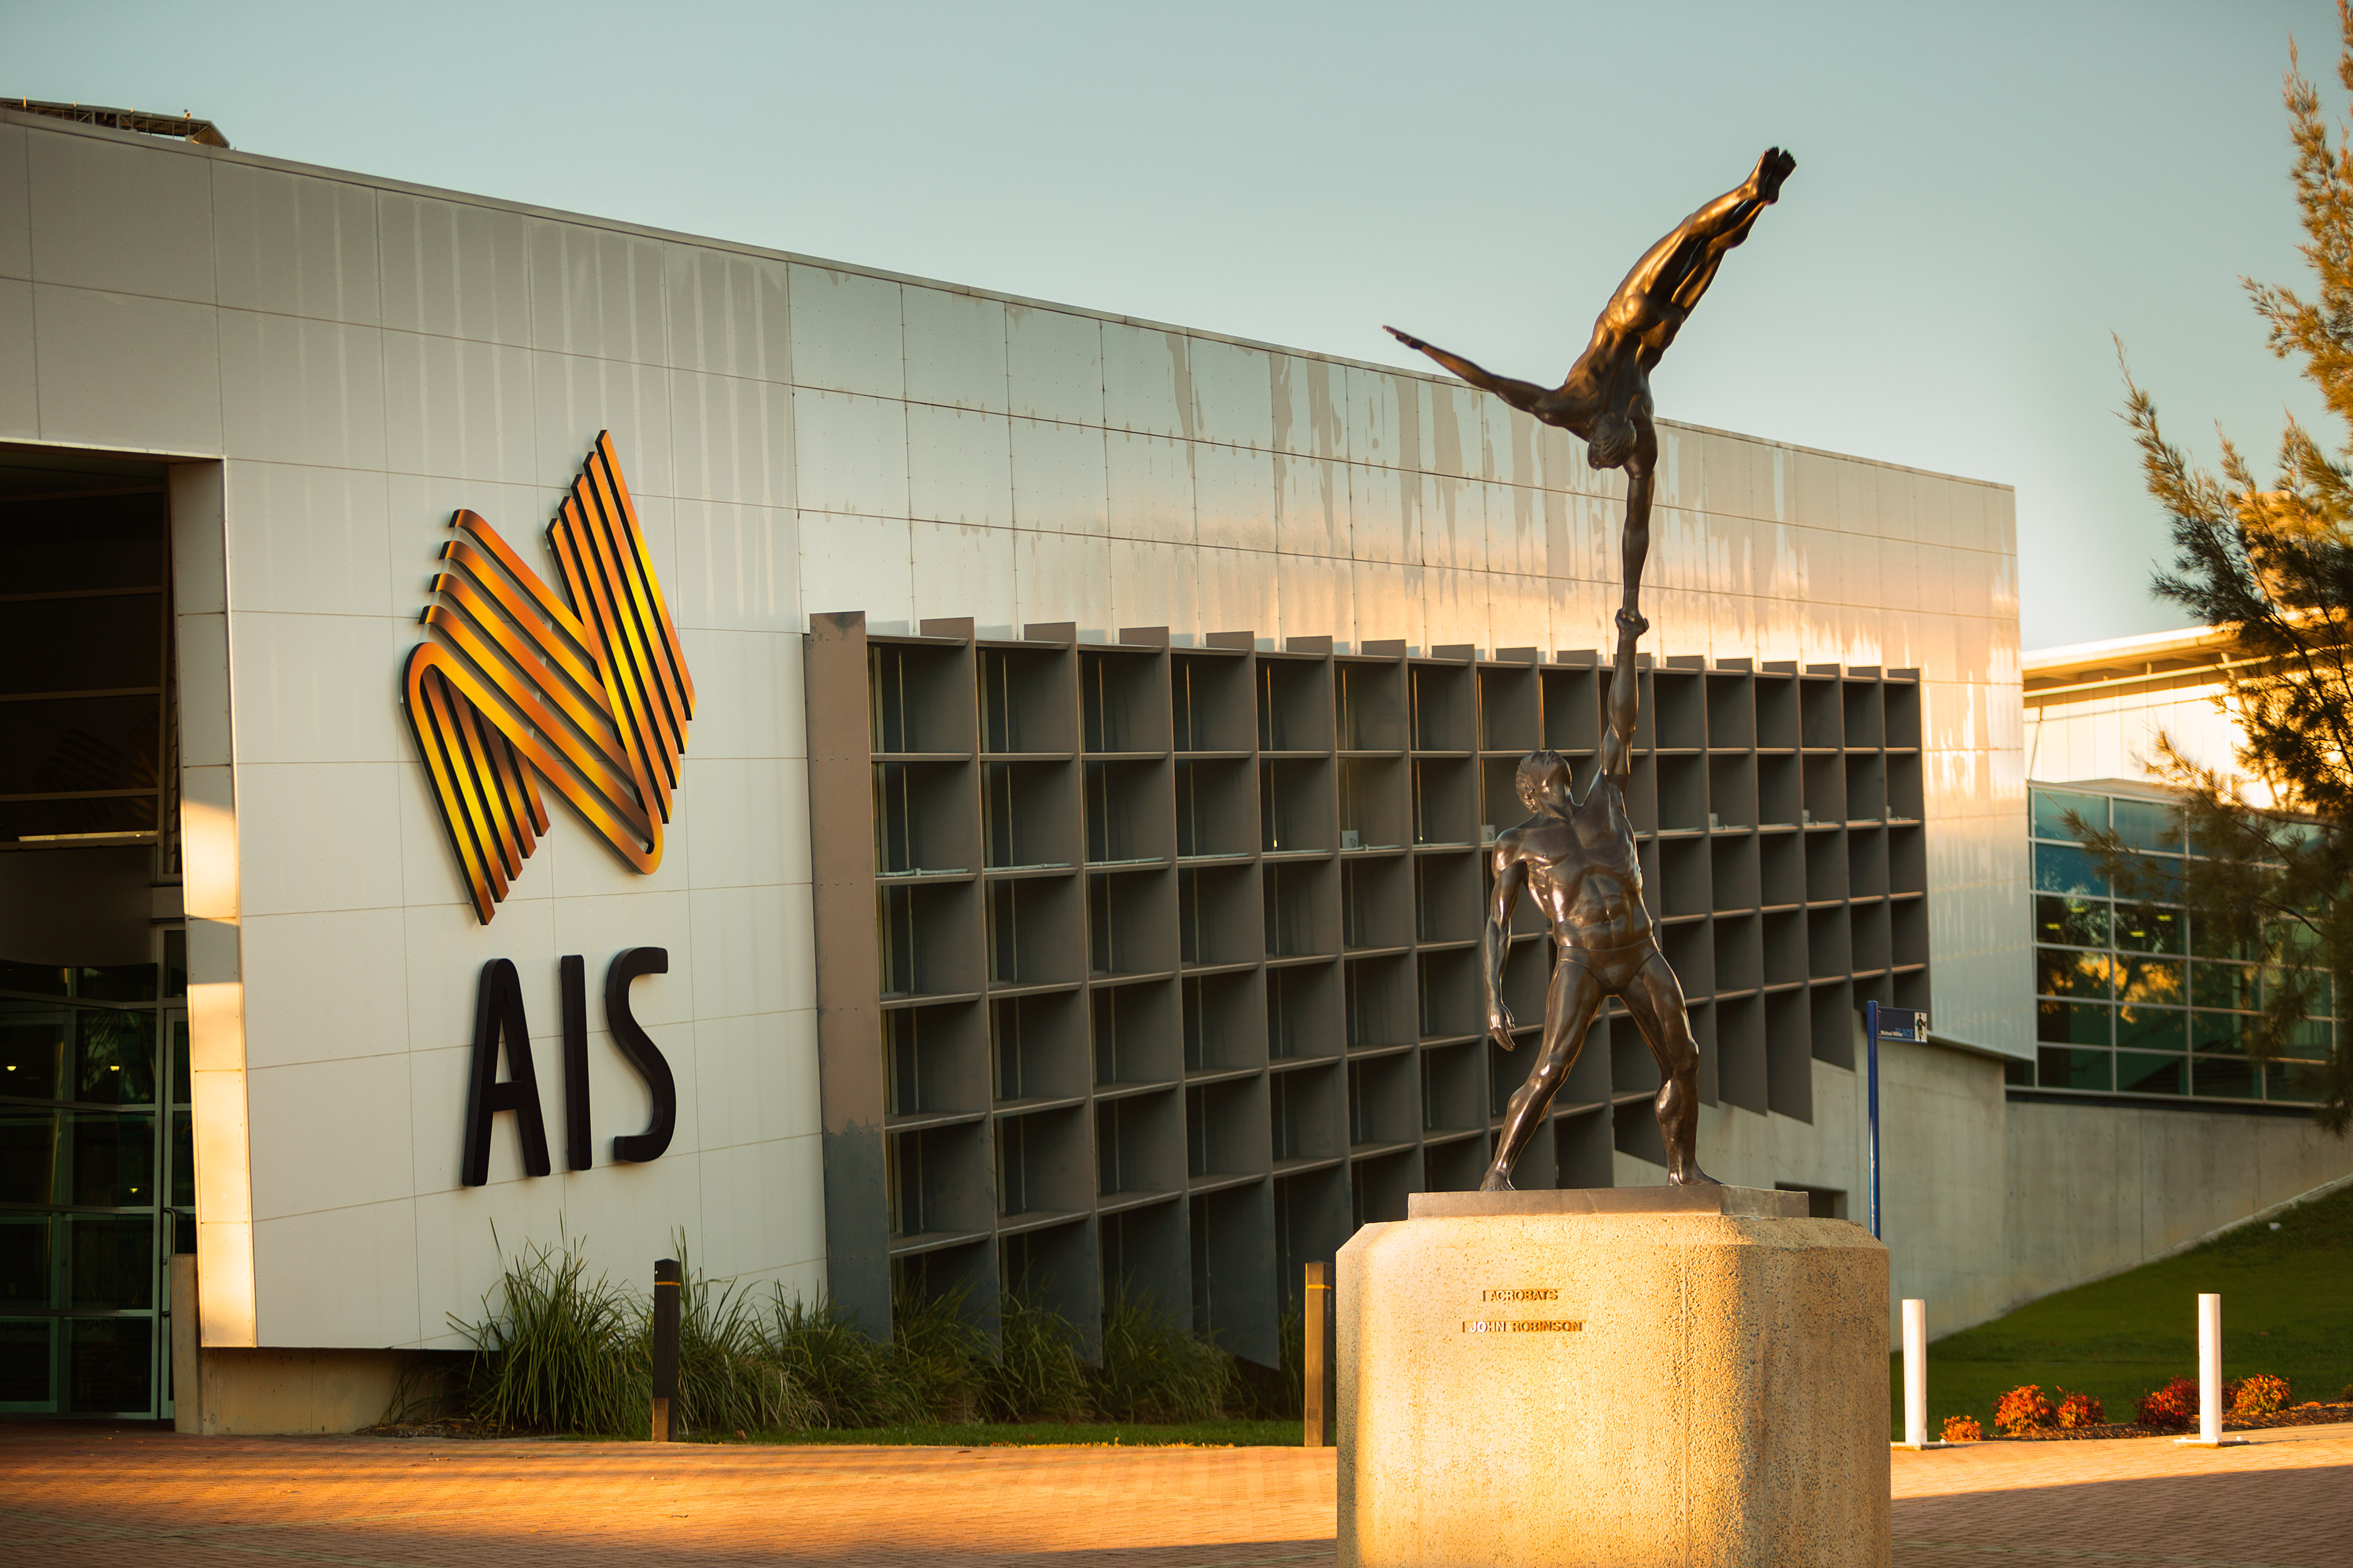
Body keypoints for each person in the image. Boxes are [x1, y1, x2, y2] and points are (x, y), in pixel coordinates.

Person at [1386, 147, 1793, 620]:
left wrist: (1631, 606)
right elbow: (1493, 383)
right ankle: (1749, 190)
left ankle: (1759, 202)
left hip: (1661, 329)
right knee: (1690, 233)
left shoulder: (1641, 437)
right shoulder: (1567, 408)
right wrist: (1423, 348)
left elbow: (1635, 528)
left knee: (1713, 248)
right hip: (1627, 313)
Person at [1478, 595, 1714, 1189]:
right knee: (1552, 1066)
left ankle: (1682, 1168)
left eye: (1550, 757)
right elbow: (1497, 924)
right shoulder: (1517, 842)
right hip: (1580, 956)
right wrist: (1492, 994)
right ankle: (1498, 1173)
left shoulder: (1605, 799)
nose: (1546, 756)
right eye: (1536, 763)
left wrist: (1627, 642)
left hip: (1638, 948)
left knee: (1682, 1057)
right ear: (1530, 791)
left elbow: (1620, 721)